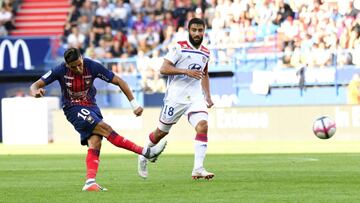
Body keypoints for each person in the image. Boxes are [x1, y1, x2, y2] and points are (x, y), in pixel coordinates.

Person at [29, 48, 167, 191]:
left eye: (79, 64)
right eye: (73, 67)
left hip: (92, 107)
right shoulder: (59, 70)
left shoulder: (93, 66)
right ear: (66, 65)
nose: (77, 68)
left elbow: (119, 81)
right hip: (72, 108)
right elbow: (34, 85)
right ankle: (147, 152)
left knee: (95, 142)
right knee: (106, 129)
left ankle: (90, 182)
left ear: (82, 58)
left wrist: (134, 104)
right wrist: (36, 92)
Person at [137, 18, 215, 180]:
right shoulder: (179, 47)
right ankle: (143, 154)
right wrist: (185, 71)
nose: (197, 33)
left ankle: (198, 169)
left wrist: (207, 95)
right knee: (160, 133)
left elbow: (204, 74)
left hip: (195, 97)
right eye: (194, 30)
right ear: (188, 30)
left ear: (204, 31)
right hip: (175, 97)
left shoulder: (206, 52)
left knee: (202, 126)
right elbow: (163, 69)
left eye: (200, 30)